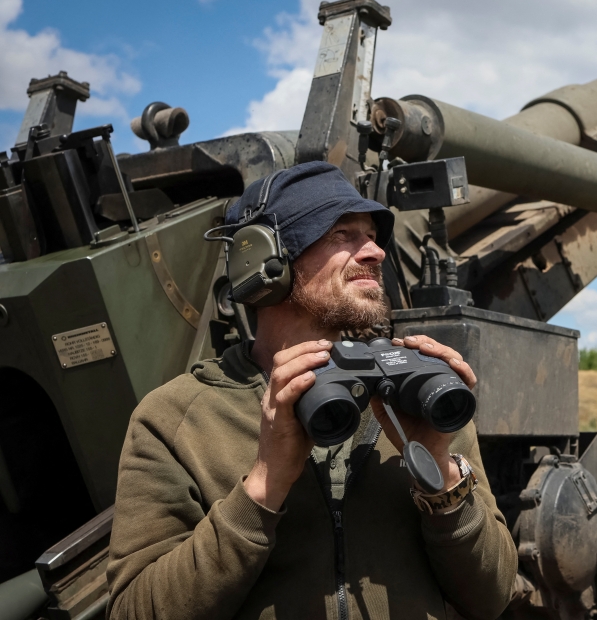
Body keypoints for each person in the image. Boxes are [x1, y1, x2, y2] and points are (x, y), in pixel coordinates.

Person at [106, 162, 518, 620]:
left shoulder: (418, 395)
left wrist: (439, 471)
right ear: (264, 260)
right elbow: (132, 611)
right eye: (342, 234)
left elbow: (494, 597)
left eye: (372, 234)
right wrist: (263, 486)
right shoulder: (174, 419)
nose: (375, 252)